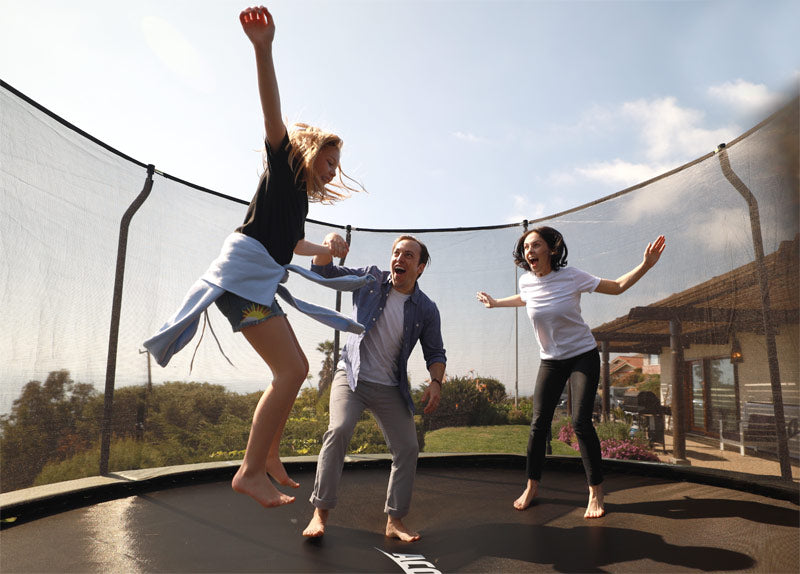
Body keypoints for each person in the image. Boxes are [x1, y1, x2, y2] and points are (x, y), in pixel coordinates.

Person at [144, 6, 368, 509]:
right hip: (243, 283)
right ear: (307, 151)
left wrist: (325, 249)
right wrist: (263, 49)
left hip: (256, 282)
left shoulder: (296, 201)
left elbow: (290, 249)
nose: (333, 171)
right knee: (290, 373)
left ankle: (266, 457)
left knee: (297, 367)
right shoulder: (284, 164)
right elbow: (272, 113)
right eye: (329, 160)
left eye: (338, 165)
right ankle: (249, 470)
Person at [476, 227, 665, 519]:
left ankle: (596, 491)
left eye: (536, 245)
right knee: (539, 423)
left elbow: (616, 287)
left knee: (580, 423)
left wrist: (646, 265)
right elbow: (524, 297)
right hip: (551, 360)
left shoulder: (571, 276)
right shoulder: (527, 282)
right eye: (526, 247)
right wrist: (496, 302)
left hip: (582, 356)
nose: (529, 251)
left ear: (551, 249)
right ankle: (531, 486)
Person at [302, 234, 446, 541]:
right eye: (396, 253)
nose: (399, 259)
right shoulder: (369, 279)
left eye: (408, 255)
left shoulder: (426, 309)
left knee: (408, 448)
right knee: (339, 430)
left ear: (420, 267)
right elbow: (323, 273)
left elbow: (435, 353)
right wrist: (328, 245)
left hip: (389, 386)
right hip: (351, 376)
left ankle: (395, 521)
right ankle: (320, 512)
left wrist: (436, 382)